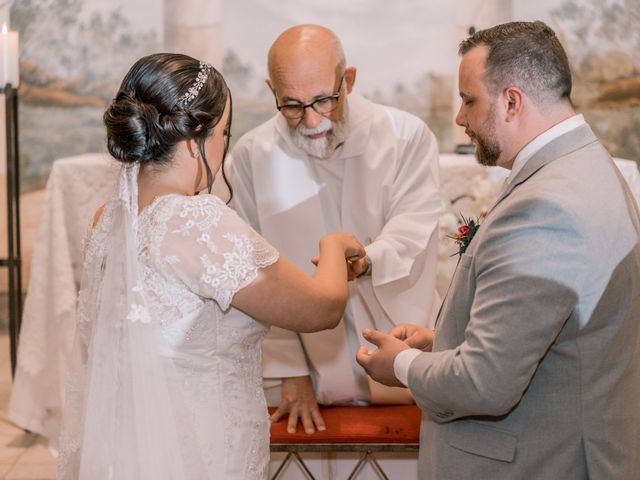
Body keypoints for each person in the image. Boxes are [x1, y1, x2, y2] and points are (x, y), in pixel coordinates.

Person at [56, 52, 365, 480]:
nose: (224, 146)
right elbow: (321, 309)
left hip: (127, 448)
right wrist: (335, 246)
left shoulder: (108, 220)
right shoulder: (197, 220)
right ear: (193, 139)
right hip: (201, 452)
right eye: (224, 133)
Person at [357, 20, 640, 479]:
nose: (460, 118)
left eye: (469, 100)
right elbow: (551, 328)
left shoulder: (548, 207)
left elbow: (484, 382)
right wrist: (445, 343)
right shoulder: (586, 165)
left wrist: (403, 365)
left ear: (511, 101)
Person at [227, 24, 441, 441]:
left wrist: (367, 261)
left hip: (400, 340)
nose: (311, 120)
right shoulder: (252, 157)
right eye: (291, 105)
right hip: (307, 363)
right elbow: (253, 270)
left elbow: (414, 228)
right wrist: (289, 368)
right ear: (272, 90)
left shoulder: (406, 137)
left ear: (349, 80)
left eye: (324, 100)